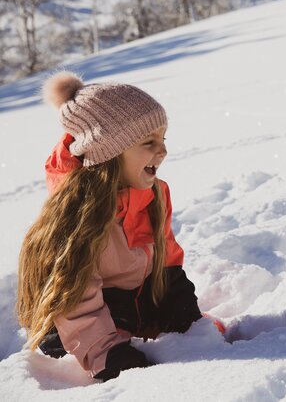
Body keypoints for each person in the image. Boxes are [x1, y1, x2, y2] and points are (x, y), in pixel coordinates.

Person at [16, 71, 203, 381]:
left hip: (129, 301)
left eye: (163, 139)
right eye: (148, 142)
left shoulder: (154, 194)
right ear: (108, 152)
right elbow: (72, 295)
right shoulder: (77, 215)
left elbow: (166, 256)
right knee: (92, 332)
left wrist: (179, 302)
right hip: (72, 322)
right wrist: (107, 352)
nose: (163, 151)